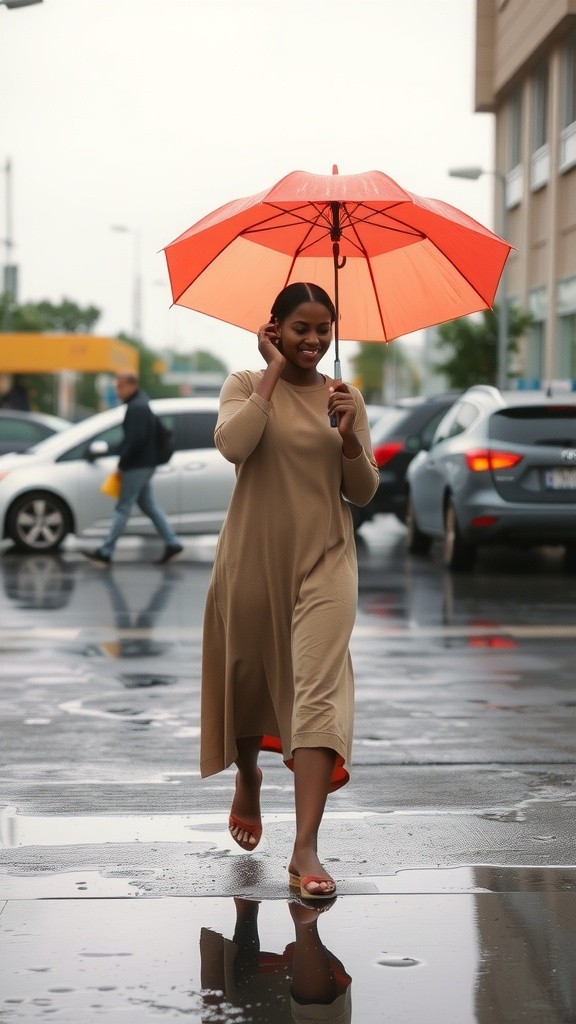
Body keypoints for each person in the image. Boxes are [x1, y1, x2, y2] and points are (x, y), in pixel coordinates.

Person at [201, 282, 379, 900]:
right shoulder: (245, 386)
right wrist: (273, 373)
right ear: (275, 327)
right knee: (249, 680)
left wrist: (351, 435)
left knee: (318, 692)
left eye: (322, 329)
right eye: (300, 328)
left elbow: (364, 490)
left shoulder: (345, 396)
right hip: (252, 559)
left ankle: (305, 847)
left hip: (327, 560)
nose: (313, 340)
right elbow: (233, 445)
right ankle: (248, 776)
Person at [81, 372, 183, 566]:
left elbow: (135, 440)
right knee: (148, 506)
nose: (117, 392)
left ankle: (105, 551)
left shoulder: (136, 408)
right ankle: (173, 543)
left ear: (130, 385)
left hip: (137, 465)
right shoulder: (141, 404)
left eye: (119, 387)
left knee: (122, 507)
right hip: (145, 464)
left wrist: (122, 464)